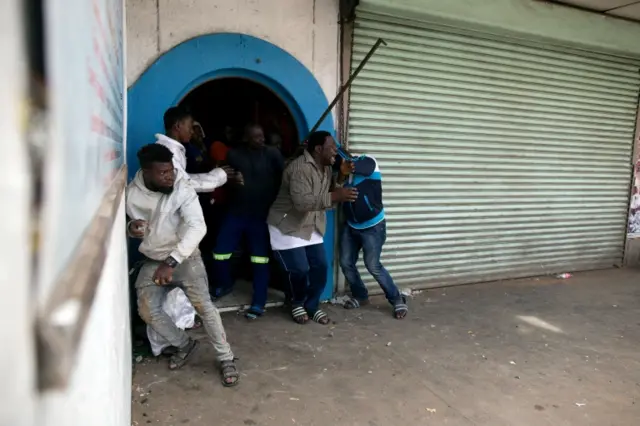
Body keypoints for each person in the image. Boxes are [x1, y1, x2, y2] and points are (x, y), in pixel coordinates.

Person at [126, 143, 240, 387]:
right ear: (147, 173)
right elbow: (133, 225)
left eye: (171, 170)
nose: (170, 176)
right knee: (146, 310)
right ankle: (184, 344)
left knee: (205, 307)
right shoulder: (132, 194)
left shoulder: (182, 187)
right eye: (163, 173)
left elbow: (198, 227)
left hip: (186, 258)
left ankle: (226, 357)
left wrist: (171, 261)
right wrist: (132, 228)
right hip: (154, 260)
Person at [267, 131, 358, 325]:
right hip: (288, 224)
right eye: (332, 147)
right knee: (299, 269)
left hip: (310, 223)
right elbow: (302, 203)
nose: (336, 151)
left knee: (320, 268)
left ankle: (312, 305)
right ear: (318, 149)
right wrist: (336, 196)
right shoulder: (299, 168)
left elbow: (325, 193)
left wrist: (341, 176)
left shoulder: (324, 168)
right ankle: (296, 302)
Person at [213, 124, 284, 319]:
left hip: (261, 215)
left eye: (262, 136)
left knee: (260, 258)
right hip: (236, 213)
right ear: (246, 138)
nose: (260, 140)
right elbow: (222, 178)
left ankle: (259, 301)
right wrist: (231, 180)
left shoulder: (272, 154)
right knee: (220, 253)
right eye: (255, 137)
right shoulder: (233, 155)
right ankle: (224, 284)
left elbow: (284, 179)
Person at [337, 151, 408, 319]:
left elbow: (364, 167)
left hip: (373, 227)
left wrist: (349, 165)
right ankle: (360, 296)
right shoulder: (343, 173)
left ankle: (397, 299)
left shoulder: (369, 161)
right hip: (351, 225)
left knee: (373, 265)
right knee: (346, 263)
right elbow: (337, 185)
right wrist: (341, 173)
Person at [155, 106, 231, 192]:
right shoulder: (170, 151)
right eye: (190, 127)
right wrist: (219, 175)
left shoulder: (172, 147)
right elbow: (183, 184)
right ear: (178, 126)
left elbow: (185, 177)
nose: (192, 131)